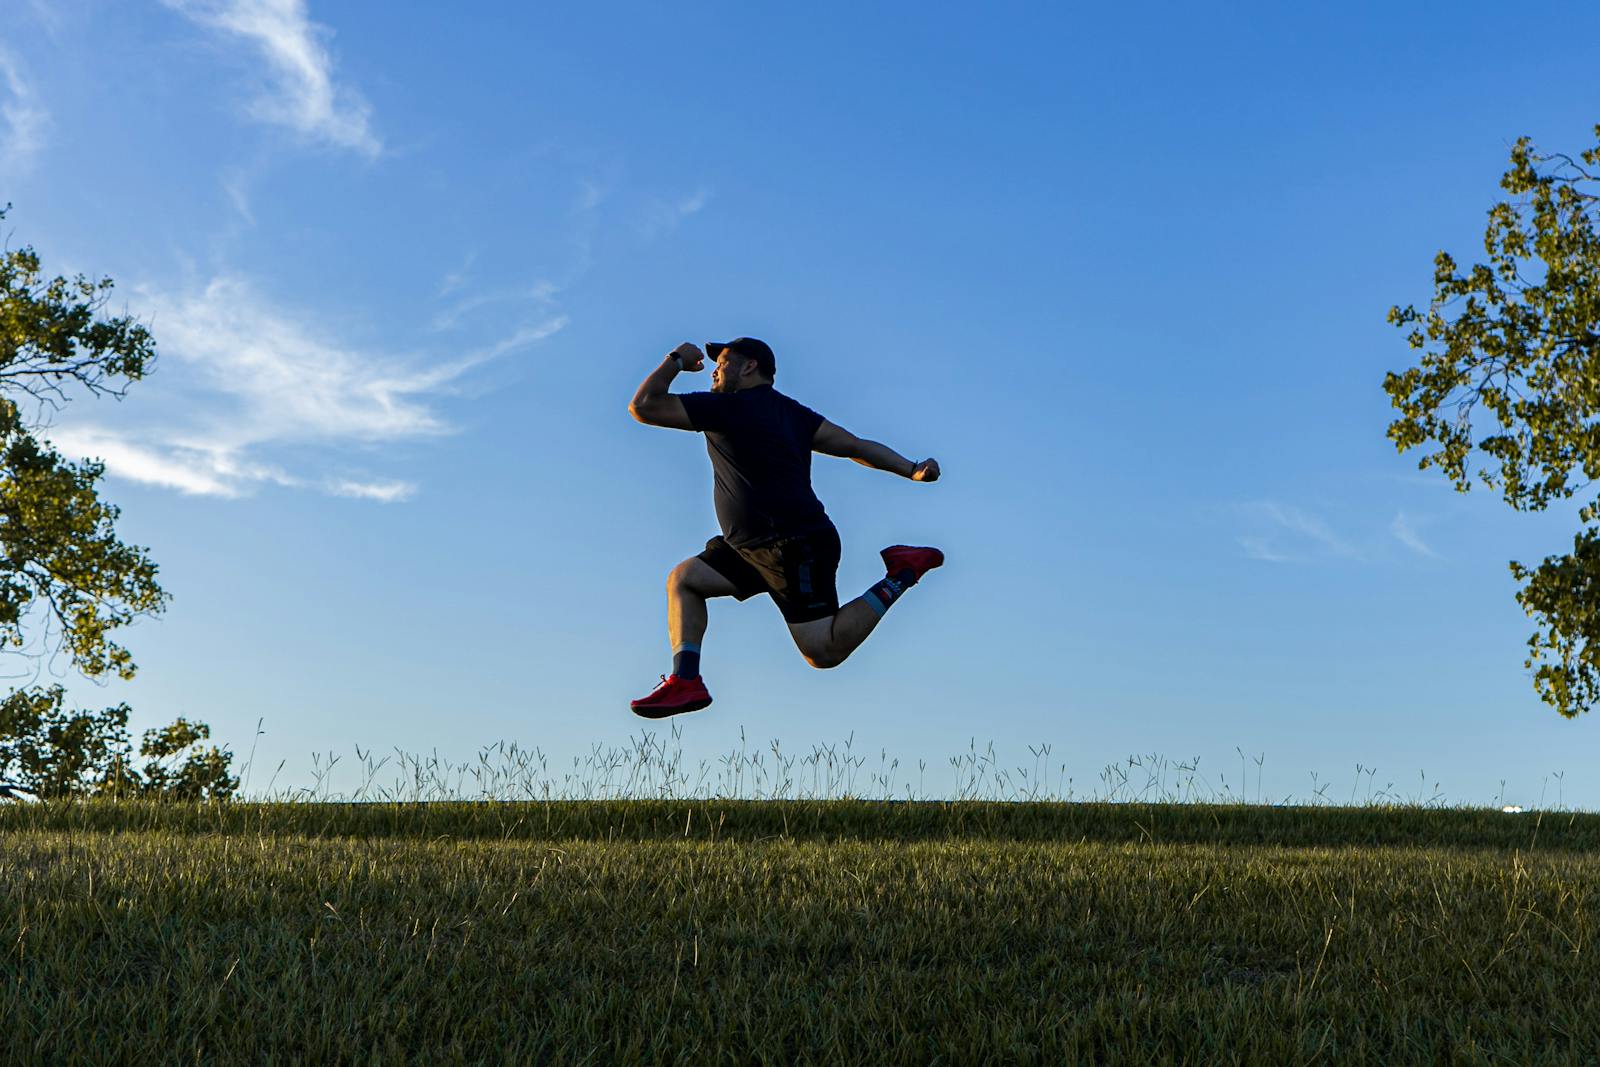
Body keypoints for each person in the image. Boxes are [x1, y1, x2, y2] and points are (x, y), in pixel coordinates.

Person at [627, 337, 943, 717]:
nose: (714, 370)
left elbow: (645, 406)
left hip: (794, 545)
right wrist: (909, 468)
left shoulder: (730, 408)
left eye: (723, 362)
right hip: (747, 546)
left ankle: (903, 571)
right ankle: (686, 681)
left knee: (823, 651)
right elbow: (855, 445)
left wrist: (676, 360)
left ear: (748, 367)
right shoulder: (789, 414)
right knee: (685, 579)